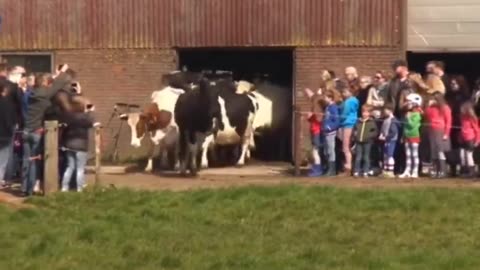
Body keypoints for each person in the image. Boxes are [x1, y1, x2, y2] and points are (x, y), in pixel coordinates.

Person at [23, 64, 71, 196]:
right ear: (44, 83)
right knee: (35, 162)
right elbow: (57, 85)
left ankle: (24, 188)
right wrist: (62, 72)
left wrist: (54, 76)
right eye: (47, 82)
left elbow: (52, 85)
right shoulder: (44, 94)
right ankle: (31, 189)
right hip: (36, 132)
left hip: (26, 131)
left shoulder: (31, 93)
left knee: (26, 160)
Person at [61, 98, 99, 192]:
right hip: (81, 146)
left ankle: (64, 187)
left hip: (69, 146)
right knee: (80, 168)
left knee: (70, 167)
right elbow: (93, 123)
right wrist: (90, 112)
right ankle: (79, 188)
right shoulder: (85, 118)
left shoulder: (69, 117)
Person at [0, 65, 24, 187]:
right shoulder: (13, 87)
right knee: (6, 151)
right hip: (8, 123)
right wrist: (21, 122)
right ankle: (5, 178)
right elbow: (20, 106)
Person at [424, 93, 452, 179]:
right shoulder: (431, 108)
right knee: (433, 151)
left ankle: (443, 171)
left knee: (440, 151)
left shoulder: (445, 108)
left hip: (440, 130)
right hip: (431, 130)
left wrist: (446, 134)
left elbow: (448, 121)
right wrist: (428, 106)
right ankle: (436, 170)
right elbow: (426, 115)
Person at [399, 93, 423, 179]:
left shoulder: (417, 114)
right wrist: (403, 135)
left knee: (414, 154)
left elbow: (412, 125)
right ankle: (407, 170)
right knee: (408, 154)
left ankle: (415, 171)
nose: (407, 104)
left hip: (414, 136)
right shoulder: (408, 113)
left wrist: (408, 118)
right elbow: (405, 126)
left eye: (409, 102)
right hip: (407, 136)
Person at [338, 88, 359, 176]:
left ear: (350, 92)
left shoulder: (348, 102)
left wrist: (338, 118)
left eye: (345, 92)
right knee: (348, 146)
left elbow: (344, 113)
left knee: (346, 147)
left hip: (347, 124)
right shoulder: (354, 101)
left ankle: (348, 167)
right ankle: (349, 166)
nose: (343, 93)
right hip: (350, 123)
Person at [353, 105, 378, 177]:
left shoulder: (371, 122)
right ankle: (356, 171)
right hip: (358, 142)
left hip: (367, 142)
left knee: (366, 157)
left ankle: (366, 171)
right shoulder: (358, 121)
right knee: (358, 157)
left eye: (366, 112)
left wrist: (369, 137)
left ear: (370, 113)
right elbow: (355, 129)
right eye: (363, 112)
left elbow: (375, 132)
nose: (364, 114)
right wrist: (355, 135)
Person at [321, 91, 340, 176]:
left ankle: (332, 170)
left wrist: (330, 127)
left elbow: (336, 121)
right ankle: (328, 168)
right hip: (325, 132)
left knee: (330, 151)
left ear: (330, 98)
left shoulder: (333, 107)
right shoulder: (327, 107)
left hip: (331, 133)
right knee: (326, 151)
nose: (324, 99)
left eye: (325, 97)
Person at [459, 101, 480, 178]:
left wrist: (477, 140)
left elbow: (477, 130)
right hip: (464, 138)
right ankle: (466, 170)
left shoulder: (472, 118)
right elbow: (462, 129)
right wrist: (460, 137)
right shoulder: (463, 118)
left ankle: (472, 172)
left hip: (470, 138)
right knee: (462, 154)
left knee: (469, 155)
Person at [378, 103, 399, 178]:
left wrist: (386, 137)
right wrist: (381, 135)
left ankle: (390, 171)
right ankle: (386, 170)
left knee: (390, 155)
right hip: (386, 140)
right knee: (386, 155)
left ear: (390, 111)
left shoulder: (392, 120)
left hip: (391, 140)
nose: (384, 111)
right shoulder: (386, 120)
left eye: (386, 110)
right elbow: (383, 130)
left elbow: (393, 132)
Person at [306, 93, 323, 177]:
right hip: (313, 131)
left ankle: (318, 168)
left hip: (317, 132)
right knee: (314, 151)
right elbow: (311, 120)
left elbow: (319, 119)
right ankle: (316, 167)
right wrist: (309, 117)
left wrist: (313, 115)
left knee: (316, 151)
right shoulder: (313, 108)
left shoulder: (318, 108)